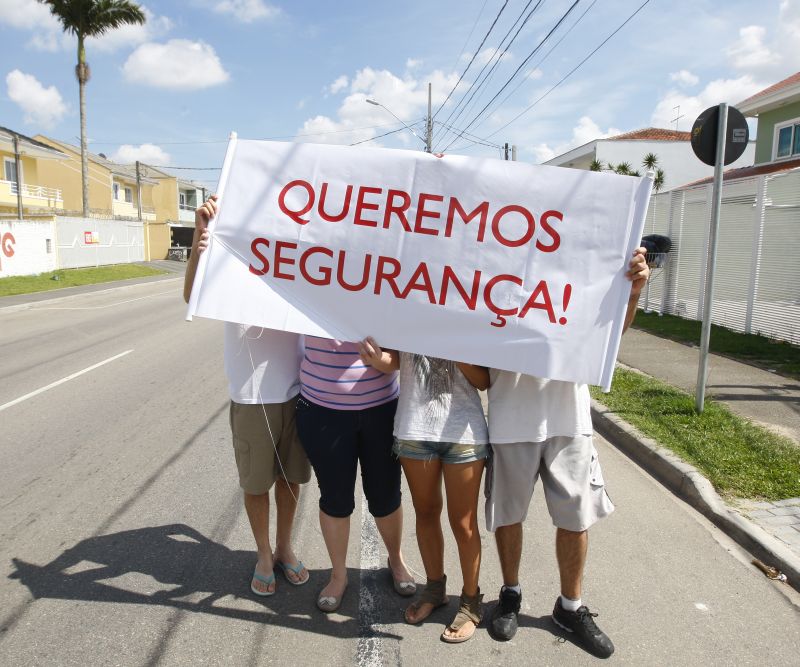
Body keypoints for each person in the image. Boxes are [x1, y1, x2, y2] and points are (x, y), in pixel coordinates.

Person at [485, 248, 651, 658]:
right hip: (511, 416)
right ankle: (510, 594)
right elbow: (479, 360)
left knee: (575, 518)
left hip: (568, 417)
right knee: (508, 515)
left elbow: (607, 338)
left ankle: (569, 607)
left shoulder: (580, 263)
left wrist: (631, 294)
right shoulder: (492, 263)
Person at [184, 195, 311, 597]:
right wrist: (198, 243)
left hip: (298, 388)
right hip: (250, 394)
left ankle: (285, 546)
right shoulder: (228, 252)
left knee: (291, 480)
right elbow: (192, 296)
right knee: (256, 484)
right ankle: (262, 552)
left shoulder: (295, 250)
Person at [359, 342, 490, 643]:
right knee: (427, 512)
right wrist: (379, 358)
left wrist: (454, 349)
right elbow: (396, 360)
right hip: (414, 428)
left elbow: (484, 380)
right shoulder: (408, 296)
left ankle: (470, 603)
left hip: (464, 431)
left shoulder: (473, 305)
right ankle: (435, 590)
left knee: (464, 523)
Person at [295, 336, 415, 613]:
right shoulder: (310, 290)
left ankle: (396, 561)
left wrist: (382, 360)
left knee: (386, 495)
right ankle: (339, 576)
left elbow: (402, 354)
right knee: (335, 499)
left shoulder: (385, 291)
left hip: (382, 408)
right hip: (322, 409)